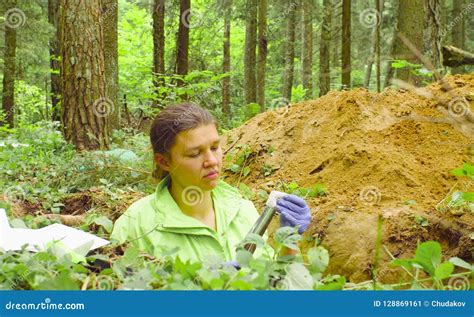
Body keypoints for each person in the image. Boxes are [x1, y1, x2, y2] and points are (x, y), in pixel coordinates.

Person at [110, 103, 311, 265]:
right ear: (164, 161)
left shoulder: (243, 212)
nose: (212, 161)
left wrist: (289, 241)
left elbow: (275, 287)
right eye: (195, 153)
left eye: (215, 148)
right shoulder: (135, 225)